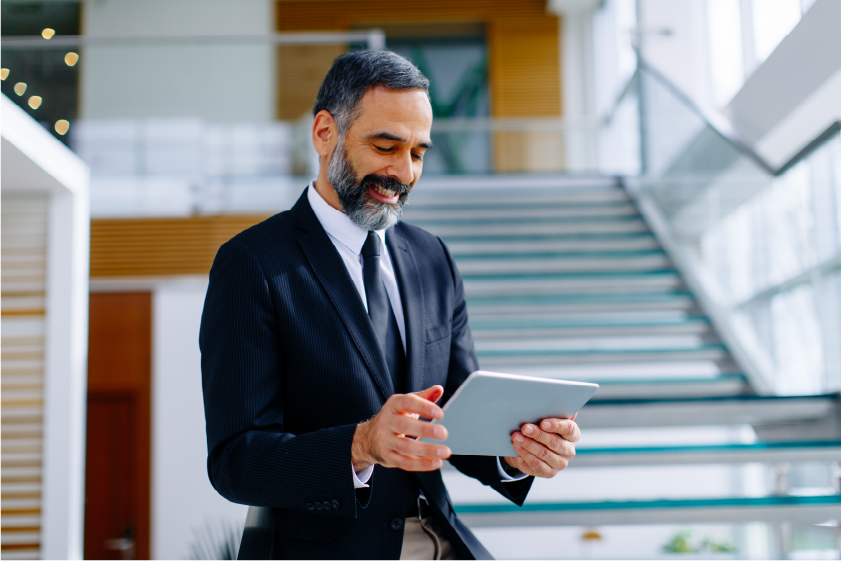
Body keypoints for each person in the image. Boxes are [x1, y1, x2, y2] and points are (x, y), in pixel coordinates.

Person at [200, 50, 581, 561]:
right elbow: (235, 462)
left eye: (418, 153)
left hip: (441, 539)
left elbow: (459, 415)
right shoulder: (252, 263)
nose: (403, 172)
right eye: (385, 146)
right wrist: (360, 444)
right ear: (324, 133)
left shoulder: (431, 257)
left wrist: (518, 450)